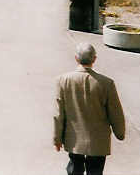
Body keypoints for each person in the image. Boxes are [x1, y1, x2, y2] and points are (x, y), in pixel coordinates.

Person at [54, 43, 126, 175]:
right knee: (95, 171)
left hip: (74, 139)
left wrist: (57, 139)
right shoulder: (106, 83)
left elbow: (59, 114)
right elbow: (115, 112)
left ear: (76, 58)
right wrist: (120, 133)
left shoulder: (63, 80)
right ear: (94, 59)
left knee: (75, 169)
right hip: (98, 141)